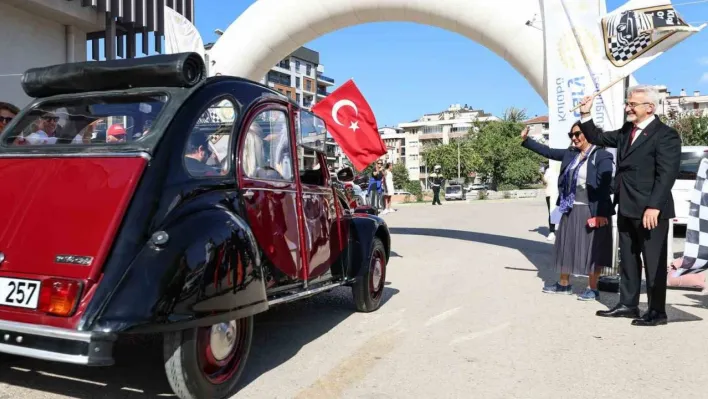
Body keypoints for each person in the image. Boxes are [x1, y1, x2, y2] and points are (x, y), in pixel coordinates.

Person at [578, 85, 681, 326]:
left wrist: (654, 206)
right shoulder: (627, 131)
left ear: (650, 107)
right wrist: (586, 115)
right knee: (629, 259)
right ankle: (628, 304)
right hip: (626, 205)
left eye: (632, 104)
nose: (628, 108)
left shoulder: (665, 135)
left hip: (650, 210)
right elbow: (599, 138)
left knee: (653, 262)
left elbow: (666, 174)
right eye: (628, 103)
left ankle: (657, 312)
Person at [521, 122, 615, 301]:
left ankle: (592, 288)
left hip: (592, 209)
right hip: (570, 208)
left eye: (577, 134)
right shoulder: (571, 154)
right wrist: (527, 140)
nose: (573, 138)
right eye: (570, 135)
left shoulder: (601, 156)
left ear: (588, 133)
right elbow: (548, 151)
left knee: (592, 250)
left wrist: (601, 213)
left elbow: (606, 184)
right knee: (566, 247)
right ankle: (564, 284)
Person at [542, 163, 560, 241]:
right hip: (554, 193)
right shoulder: (561, 168)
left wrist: (542, 174)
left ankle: (552, 232)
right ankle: (553, 231)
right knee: (555, 212)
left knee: (553, 212)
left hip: (552, 193)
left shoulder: (549, 170)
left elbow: (545, 182)